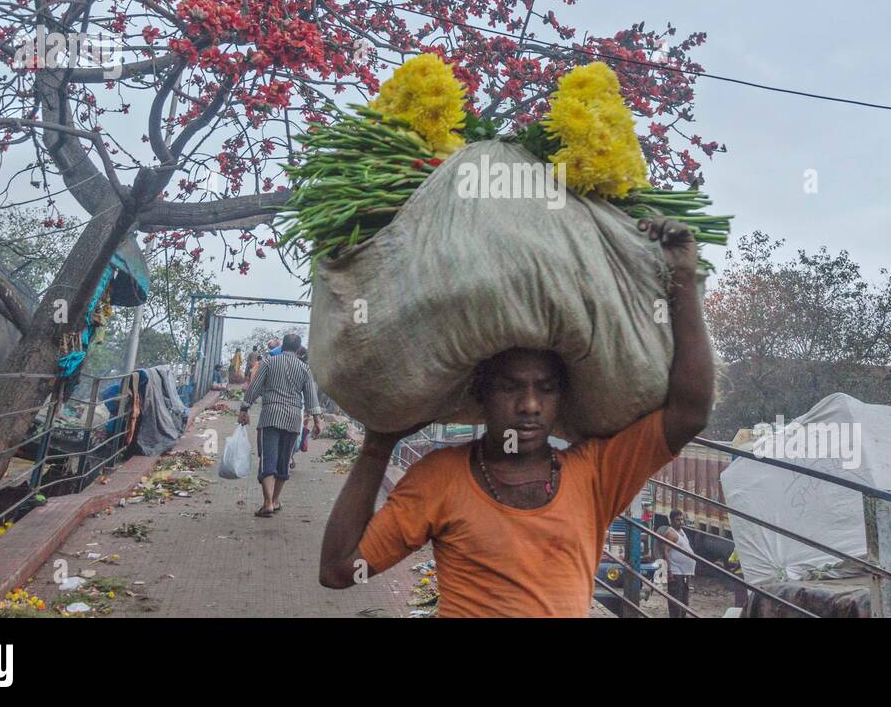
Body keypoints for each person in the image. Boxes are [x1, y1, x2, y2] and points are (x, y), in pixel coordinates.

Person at [319, 218, 714, 617]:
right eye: (510, 388)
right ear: (481, 393)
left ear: (562, 397)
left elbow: (690, 412)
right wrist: (376, 448)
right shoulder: (439, 477)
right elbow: (339, 570)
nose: (529, 405)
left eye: (546, 389)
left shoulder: (597, 473)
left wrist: (682, 278)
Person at [239, 333, 324, 518]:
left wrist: (244, 408)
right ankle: (275, 500)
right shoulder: (304, 369)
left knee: (268, 460)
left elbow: (254, 388)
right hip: (293, 418)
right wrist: (317, 420)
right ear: (299, 349)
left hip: (270, 416)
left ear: (282, 346)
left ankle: (267, 503)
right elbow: (311, 396)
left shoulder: (269, 363)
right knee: (283, 462)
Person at [658, 509, 697, 618]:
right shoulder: (671, 533)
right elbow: (665, 551)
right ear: (671, 520)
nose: (680, 522)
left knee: (684, 601)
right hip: (676, 572)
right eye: (677, 520)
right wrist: (669, 571)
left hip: (684, 572)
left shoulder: (681, 531)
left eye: (681, 519)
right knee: (676, 601)